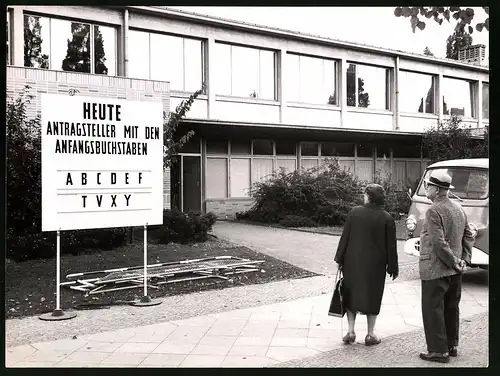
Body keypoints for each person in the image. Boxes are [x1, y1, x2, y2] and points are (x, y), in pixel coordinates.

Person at [418, 170, 475, 363]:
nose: (426, 188)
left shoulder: (433, 210)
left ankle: (437, 351)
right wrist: (463, 260)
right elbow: (468, 235)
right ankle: (451, 346)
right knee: (451, 308)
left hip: (436, 269)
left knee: (433, 309)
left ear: (436, 189)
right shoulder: (459, 208)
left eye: (428, 186)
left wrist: (453, 261)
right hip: (455, 270)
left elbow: (438, 243)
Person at [334, 183, 398, 346]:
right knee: (373, 295)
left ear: (368, 196)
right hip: (376, 265)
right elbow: (391, 246)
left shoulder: (354, 213)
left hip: (352, 261)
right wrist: (393, 267)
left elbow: (345, 237)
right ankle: (370, 334)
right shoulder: (387, 218)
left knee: (350, 293)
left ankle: (350, 331)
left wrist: (339, 259)